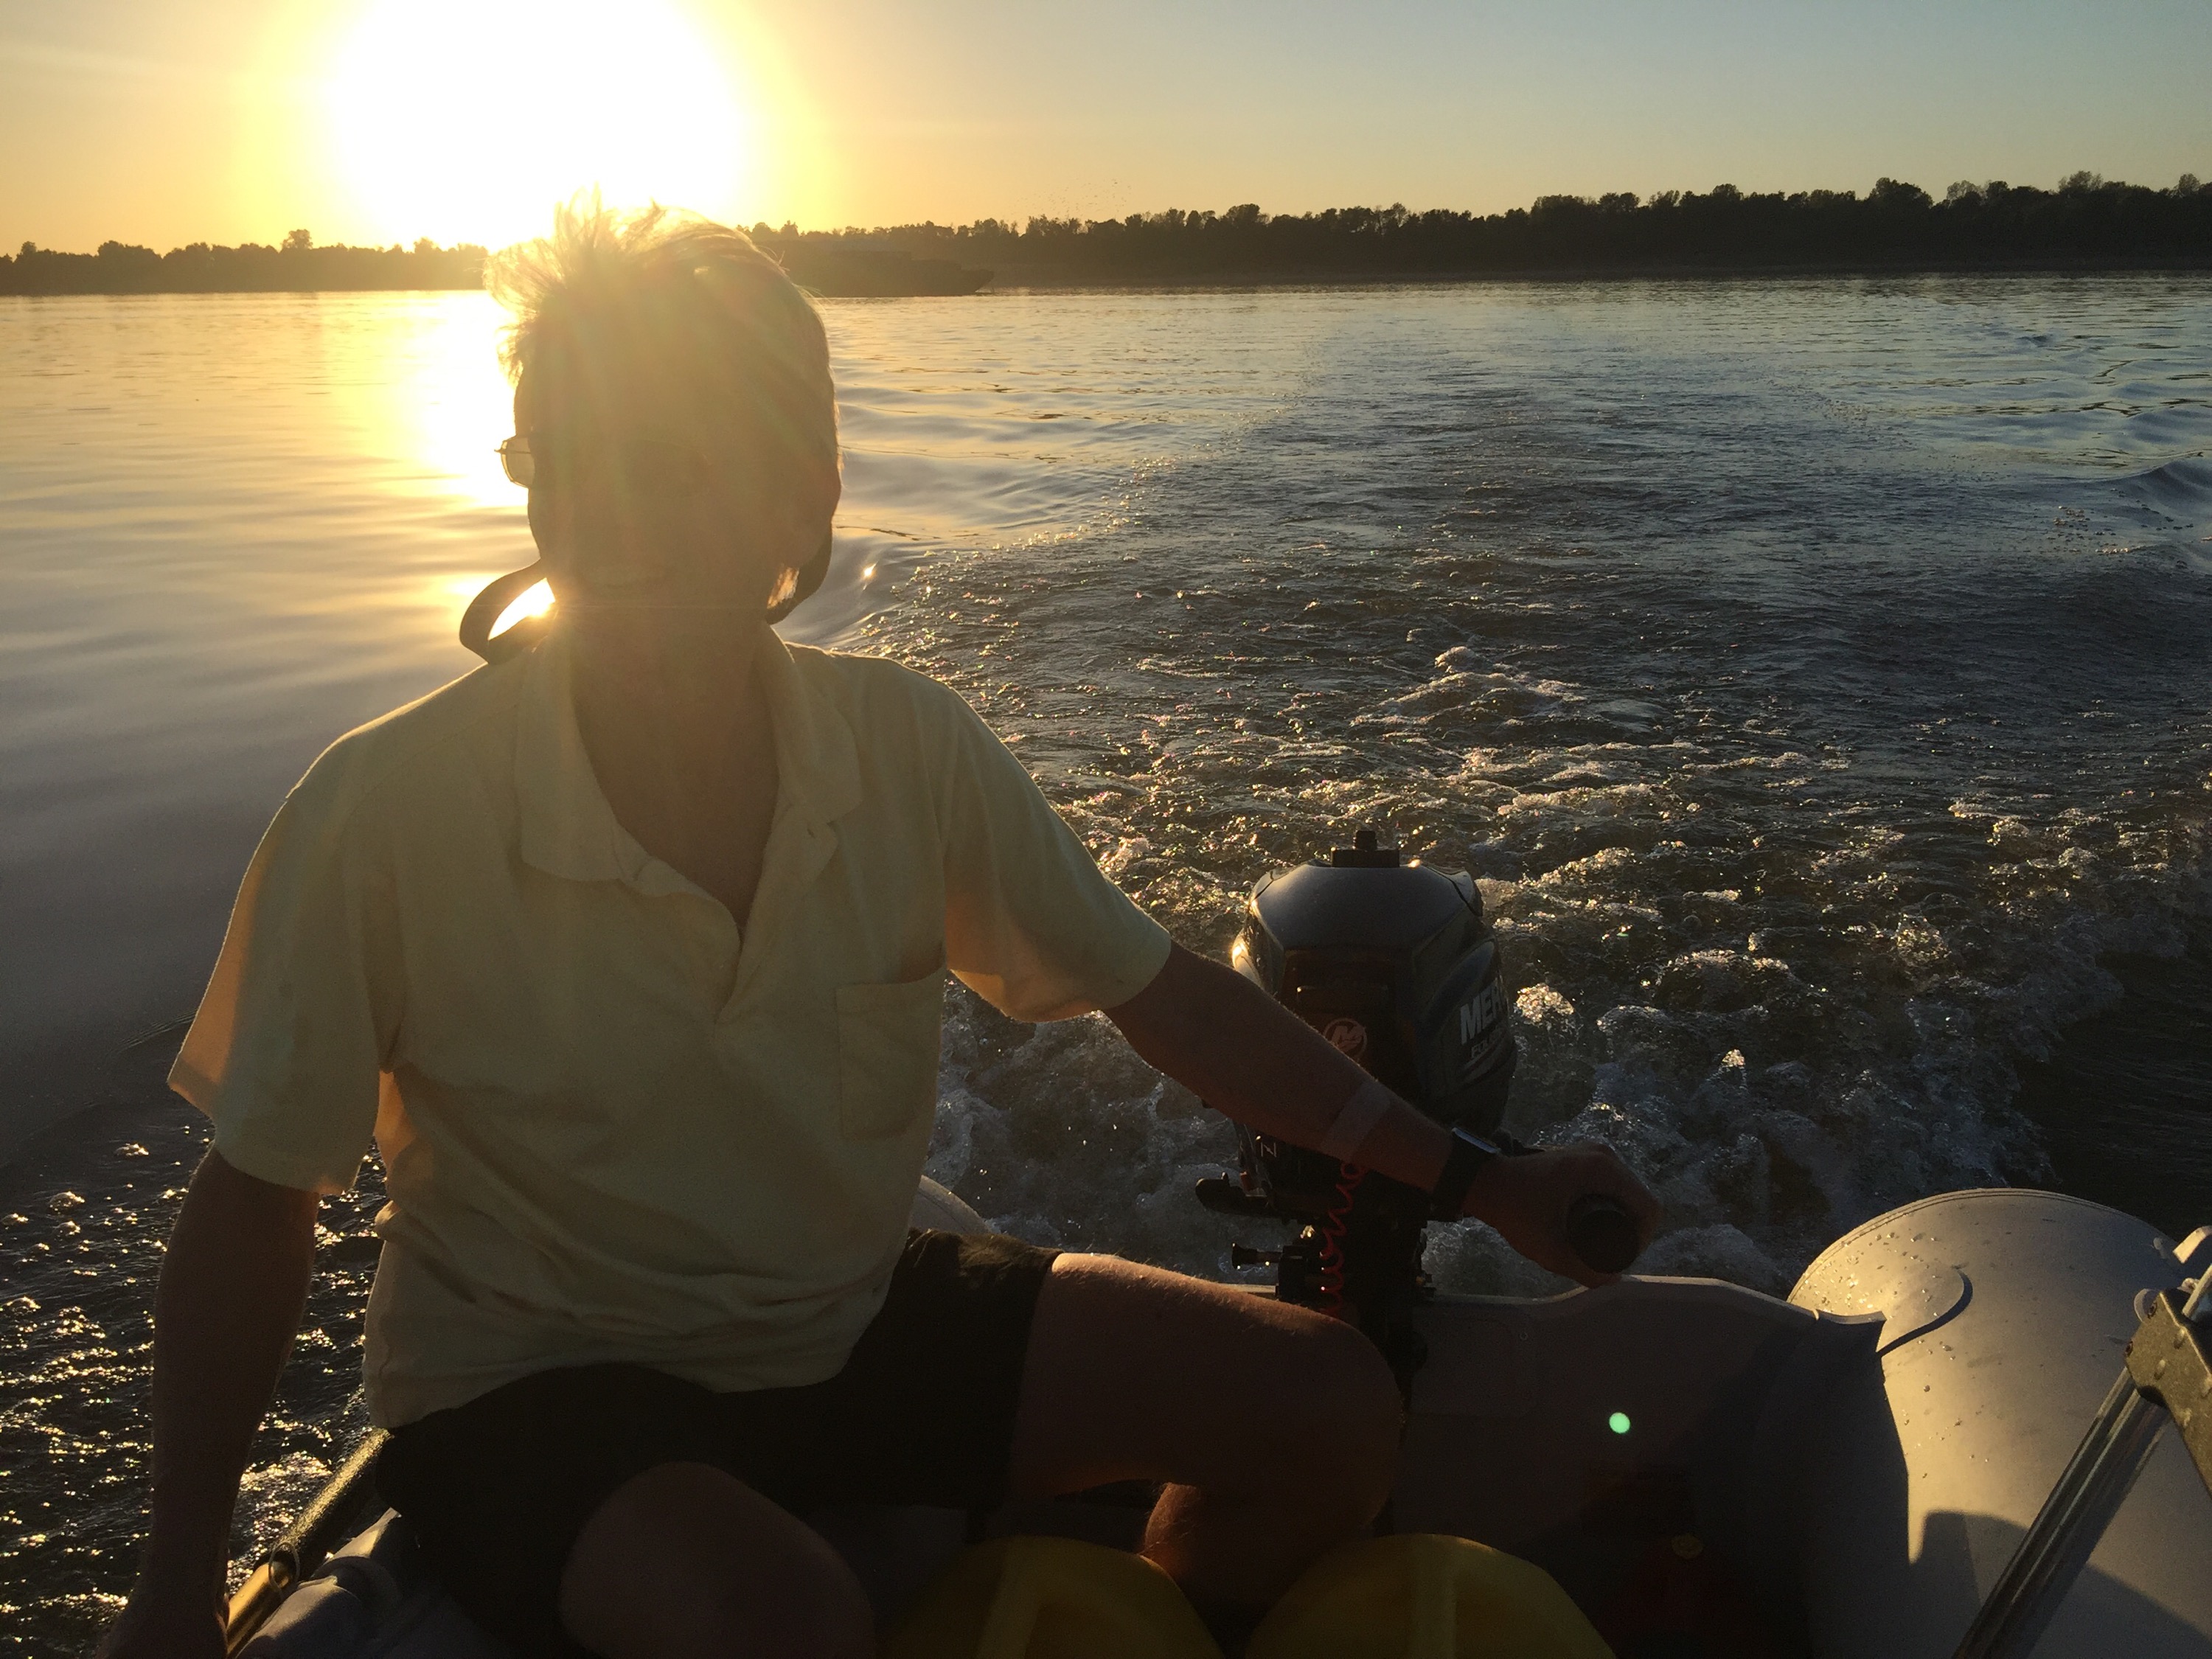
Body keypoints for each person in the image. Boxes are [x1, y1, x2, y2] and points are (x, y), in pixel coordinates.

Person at [100, 201, 1658, 1659]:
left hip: (845, 1320)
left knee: (1330, 1408)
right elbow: (258, 1199)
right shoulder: (381, 811)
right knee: (786, 1618)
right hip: (533, 1391)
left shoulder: (906, 749)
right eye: (559, 454)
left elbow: (1166, 997)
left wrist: (1483, 1177)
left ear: (802, 490)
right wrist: (173, 1587)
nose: (604, 509)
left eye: (670, 456)